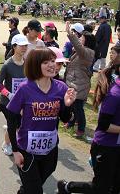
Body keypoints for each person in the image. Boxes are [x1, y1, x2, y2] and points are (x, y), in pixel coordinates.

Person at [6, 48, 77, 194]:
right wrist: (15, 150)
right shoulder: (25, 88)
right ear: (35, 65)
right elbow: (12, 121)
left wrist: (68, 105)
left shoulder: (61, 88)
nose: (52, 65)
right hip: (27, 150)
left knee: (31, 187)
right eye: (46, 62)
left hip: (50, 151)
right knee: (35, 191)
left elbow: (64, 118)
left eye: (53, 61)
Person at [58, 57, 120, 194]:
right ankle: (68, 187)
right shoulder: (115, 94)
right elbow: (104, 125)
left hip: (117, 147)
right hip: (106, 147)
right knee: (101, 187)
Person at [0, 34, 28, 156]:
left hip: (22, 102)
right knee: (13, 125)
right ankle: (6, 144)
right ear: (14, 47)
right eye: (21, 46)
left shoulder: (27, 63)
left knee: (18, 125)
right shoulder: (7, 65)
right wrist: (8, 94)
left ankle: (10, 133)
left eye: (25, 45)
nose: (24, 48)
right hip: (8, 103)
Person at [64, 22, 96, 137]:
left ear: (86, 40)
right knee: (74, 106)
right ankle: (72, 123)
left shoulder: (88, 52)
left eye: (81, 38)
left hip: (80, 84)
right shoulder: (83, 51)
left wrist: (69, 33)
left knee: (78, 108)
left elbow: (78, 46)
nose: (80, 39)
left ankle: (81, 129)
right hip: (76, 82)